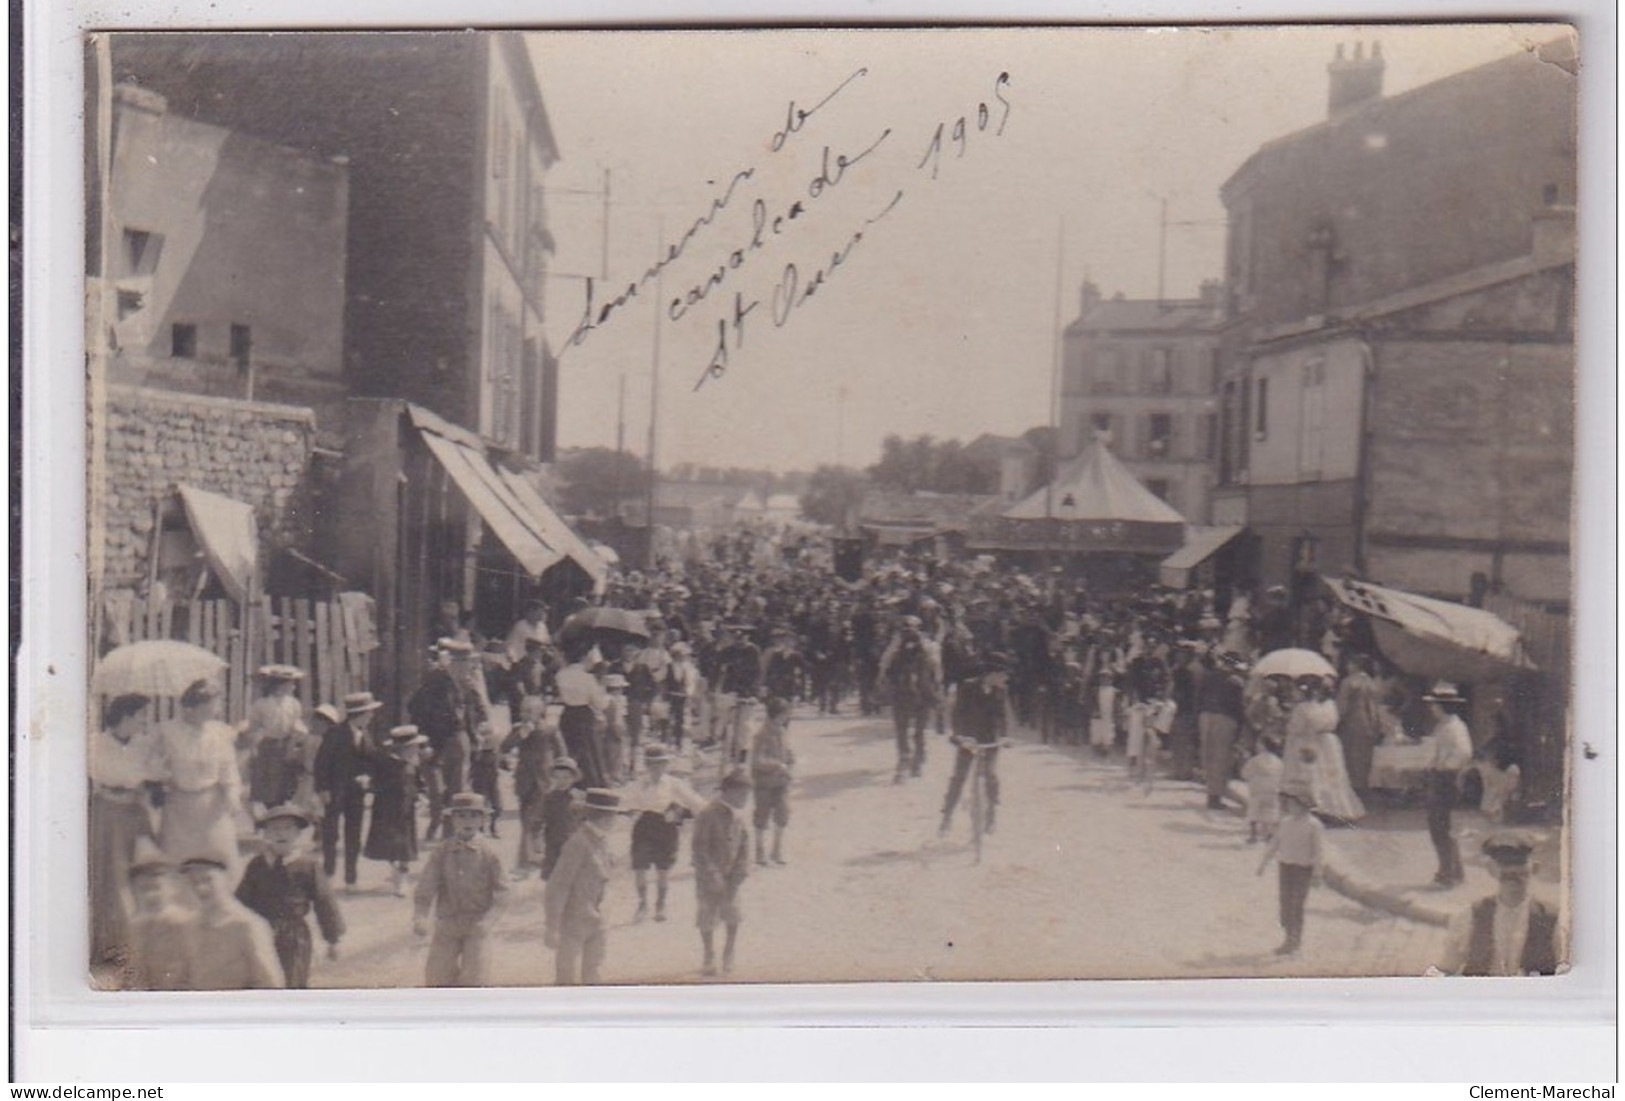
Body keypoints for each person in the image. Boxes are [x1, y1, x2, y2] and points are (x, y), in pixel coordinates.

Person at [235, 804, 345, 989]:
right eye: (274, 829)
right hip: (261, 933)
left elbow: (324, 902)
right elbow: (241, 902)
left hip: (293, 935)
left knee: (292, 981)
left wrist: (332, 939)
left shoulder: (308, 866)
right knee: (259, 981)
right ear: (266, 835)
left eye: (288, 828)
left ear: (299, 834)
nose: (281, 834)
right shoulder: (257, 865)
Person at [90, 692, 160, 968]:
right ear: (127, 716)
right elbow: (100, 782)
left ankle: (136, 942)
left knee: (139, 872)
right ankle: (110, 944)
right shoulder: (99, 744)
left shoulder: (142, 746)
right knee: (112, 877)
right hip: (108, 814)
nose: (145, 721)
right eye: (142, 715)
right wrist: (121, 793)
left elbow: (149, 776)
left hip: (137, 813)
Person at [412, 792, 508, 987]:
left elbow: (504, 891)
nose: (468, 821)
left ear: (483, 819)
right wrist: (420, 916)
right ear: (452, 819)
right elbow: (426, 885)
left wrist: (489, 921)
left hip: (478, 923)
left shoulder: (491, 852)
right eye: (461, 816)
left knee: (475, 978)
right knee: (437, 977)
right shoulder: (442, 851)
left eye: (474, 816)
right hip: (448, 921)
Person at [1439, 831, 1562, 976]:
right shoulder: (1469, 917)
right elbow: (1446, 969)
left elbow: (1567, 973)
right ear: (1492, 870)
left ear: (1535, 868)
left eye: (1520, 863)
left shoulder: (1553, 919)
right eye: (1505, 864)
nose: (1512, 871)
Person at [154, 680, 245, 875]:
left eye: (217, 704)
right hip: (179, 806)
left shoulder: (220, 732)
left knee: (216, 854)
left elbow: (228, 768)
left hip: (212, 805)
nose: (215, 710)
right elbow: (154, 764)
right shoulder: (168, 732)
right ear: (191, 707)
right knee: (177, 858)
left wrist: (232, 794)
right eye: (210, 705)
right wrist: (162, 775)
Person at [410, 638, 489, 839]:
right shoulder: (436, 682)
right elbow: (415, 708)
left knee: (458, 790)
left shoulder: (467, 685)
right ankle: (437, 822)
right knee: (437, 791)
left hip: (460, 740)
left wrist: (476, 735)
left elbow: (477, 711)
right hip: (438, 742)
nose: (468, 669)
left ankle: (450, 833)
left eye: (470, 664)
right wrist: (424, 741)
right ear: (454, 663)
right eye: (465, 664)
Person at [543, 788, 623, 985]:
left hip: (598, 919)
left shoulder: (603, 841)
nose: (615, 820)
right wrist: (552, 926)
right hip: (574, 921)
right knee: (566, 978)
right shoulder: (578, 843)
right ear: (602, 816)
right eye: (612, 815)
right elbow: (558, 886)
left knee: (595, 976)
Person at [177, 853, 285, 990]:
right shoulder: (191, 927)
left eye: (208, 880)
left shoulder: (248, 925)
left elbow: (270, 983)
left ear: (226, 880)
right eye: (193, 882)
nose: (201, 888)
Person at [625, 744, 706, 922]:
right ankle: (642, 904)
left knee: (663, 869)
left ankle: (660, 906)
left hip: (665, 827)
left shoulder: (674, 784)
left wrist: (680, 812)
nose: (656, 768)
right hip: (644, 826)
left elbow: (696, 803)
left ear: (666, 764)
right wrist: (631, 811)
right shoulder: (639, 784)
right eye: (652, 764)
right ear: (646, 764)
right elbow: (626, 802)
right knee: (640, 868)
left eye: (661, 763)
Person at [313, 690, 382, 891]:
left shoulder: (366, 733)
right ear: (359, 713)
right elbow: (322, 763)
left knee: (354, 835)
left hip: (356, 793)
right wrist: (323, 789)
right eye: (369, 712)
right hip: (334, 791)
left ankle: (351, 879)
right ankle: (329, 873)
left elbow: (372, 760)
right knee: (331, 834)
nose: (372, 716)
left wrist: (368, 777)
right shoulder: (335, 733)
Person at [939, 653, 1011, 838]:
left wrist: (1005, 737)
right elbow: (957, 714)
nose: (1005, 678)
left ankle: (991, 816)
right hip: (968, 739)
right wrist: (959, 737)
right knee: (959, 777)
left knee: (991, 775)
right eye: (1003, 674)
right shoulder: (968, 687)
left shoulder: (1000, 692)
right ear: (992, 673)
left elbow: (1003, 717)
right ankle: (946, 817)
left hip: (990, 740)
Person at [693, 768, 754, 977]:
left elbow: (744, 845)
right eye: (743, 795)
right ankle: (709, 954)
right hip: (709, 877)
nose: (746, 799)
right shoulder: (707, 814)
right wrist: (712, 875)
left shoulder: (738, 817)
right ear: (729, 792)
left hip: (731, 877)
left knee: (733, 914)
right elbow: (699, 848)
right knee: (707, 916)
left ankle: (729, 951)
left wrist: (739, 872)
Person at [1256, 779, 1324, 956]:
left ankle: (1295, 940)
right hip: (1285, 867)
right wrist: (1264, 863)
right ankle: (1288, 936)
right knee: (1285, 904)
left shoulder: (1314, 825)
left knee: (1296, 904)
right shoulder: (1285, 822)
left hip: (1303, 869)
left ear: (1304, 805)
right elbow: (1275, 843)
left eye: (1294, 803)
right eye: (1289, 804)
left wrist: (1318, 873)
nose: (1290, 807)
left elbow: (1318, 851)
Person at [120, 839, 195, 991]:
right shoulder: (136, 926)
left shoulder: (185, 922)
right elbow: (134, 969)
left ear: (173, 888)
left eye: (156, 888)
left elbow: (194, 966)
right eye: (143, 889)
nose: (150, 896)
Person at [501, 697, 562, 879]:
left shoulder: (550, 729)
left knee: (532, 821)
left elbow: (561, 752)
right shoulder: (518, 729)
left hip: (545, 780)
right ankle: (535, 857)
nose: (524, 714)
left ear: (539, 711)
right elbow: (504, 747)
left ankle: (526, 861)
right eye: (523, 710)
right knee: (527, 821)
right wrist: (520, 735)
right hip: (524, 780)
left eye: (529, 710)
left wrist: (559, 776)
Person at [364, 726, 428, 895]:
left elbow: (419, 783)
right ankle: (396, 873)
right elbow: (375, 784)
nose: (416, 750)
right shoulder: (386, 764)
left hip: (407, 811)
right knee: (392, 846)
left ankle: (402, 877)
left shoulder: (412, 764)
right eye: (413, 747)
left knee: (405, 847)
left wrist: (421, 796)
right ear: (402, 749)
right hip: (387, 811)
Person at [1422, 681, 1474, 887]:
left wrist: (1444, 766)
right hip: (1440, 776)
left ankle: (1449, 873)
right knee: (1440, 826)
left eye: (1435, 704)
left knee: (1441, 826)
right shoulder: (1444, 726)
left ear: (1443, 706)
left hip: (1447, 779)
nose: (1432, 708)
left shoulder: (1454, 727)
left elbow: (1463, 752)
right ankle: (1453, 870)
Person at [242, 665, 309, 812]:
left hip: (287, 745)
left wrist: (299, 735)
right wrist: (254, 745)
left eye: (292, 683)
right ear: (279, 685)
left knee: (285, 783)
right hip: (268, 746)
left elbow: (296, 723)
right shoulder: (261, 704)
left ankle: (280, 811)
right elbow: (253, 727)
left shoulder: (293, 704)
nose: (292, 687)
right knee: (269, 784)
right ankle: (269, 812)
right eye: (289, 683)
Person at [881, 621, 938, 783]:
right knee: (902, 730)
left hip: (921, 693)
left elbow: (933, 670)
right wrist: (887, 681)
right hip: (902, 695)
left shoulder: (926, 652)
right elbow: (888, 669)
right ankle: (904, 759)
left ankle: (917, 758)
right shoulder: (896, 653)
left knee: (917, 731)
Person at [1197, 651, 1249, 811]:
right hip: (1225, 719)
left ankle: (1211, 792)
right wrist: (1241, 728)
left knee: (1208, 756)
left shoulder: (1209, 676)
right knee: (1221, 758)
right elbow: (1239, 707)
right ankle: (1215, 796)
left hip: (1205, 716)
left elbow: (1199, 697)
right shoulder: (1236, 682)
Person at [555, 640, 610, 790]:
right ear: (583, 658)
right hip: (584, 714)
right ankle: (591, 783)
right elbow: (599, 703)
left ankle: (572, 783)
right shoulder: (587, 678)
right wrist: (603, 689)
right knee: (589, 751)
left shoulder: (560, 675)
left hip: (567, 714)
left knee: (571, 749)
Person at [749, 696, 796, 866]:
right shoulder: (761, 735)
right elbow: (758, 760)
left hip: (781, 782)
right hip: (764, 783)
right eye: (784, 714)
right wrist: (778, 765)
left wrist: (790, 760)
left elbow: (788, 752)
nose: (786, 718)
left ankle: (776, 850)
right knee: (762, 817)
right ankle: (759, 852)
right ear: (775, 715)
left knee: (783, 814)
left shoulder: (782, 732)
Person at [539, 757, 583, 880]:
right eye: (557, 777)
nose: (562, 781)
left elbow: (585, 819)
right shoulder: (548, 797)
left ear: (573, 778)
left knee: (572, 873)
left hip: (573, 840)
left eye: (566, 777)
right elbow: (539, 819)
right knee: (553, 873)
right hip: (553, 840)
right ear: (552, 778)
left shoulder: (578, 797)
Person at [1241, 738, 1284, 844]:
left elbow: (1245, 773)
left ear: (1263, 746)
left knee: (1254, 811)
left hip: (1258, 789)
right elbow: (1283, 775)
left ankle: (1253, 835)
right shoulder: (1278, 761)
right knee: (1271, 811)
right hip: (1274, 789)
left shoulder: (1255, 760)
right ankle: (1269, 834)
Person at [504, 599, 553, 665]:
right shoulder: (520, 626)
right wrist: (513, 661)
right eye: (540, 611)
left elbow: (547, 643)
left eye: (543, 611)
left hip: (538, 662)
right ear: (531, 611)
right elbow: (510, 646)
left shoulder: (543, 626)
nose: (542, 614)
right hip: (521, 663)